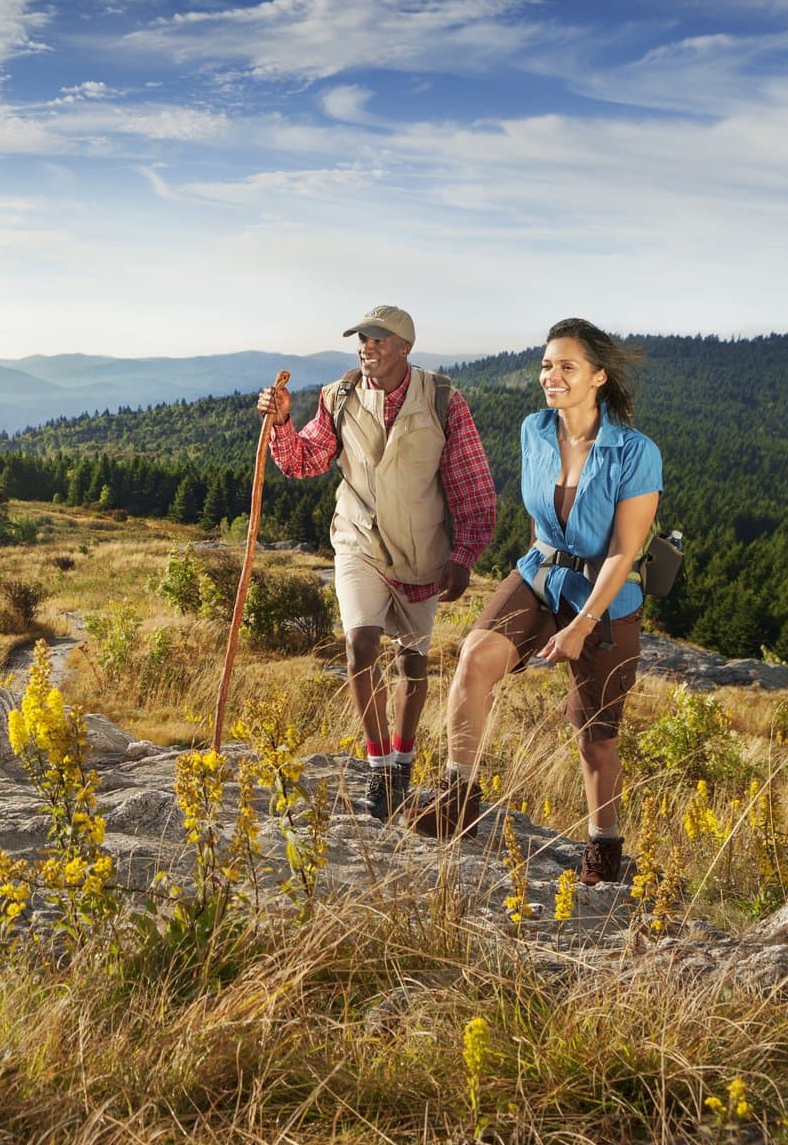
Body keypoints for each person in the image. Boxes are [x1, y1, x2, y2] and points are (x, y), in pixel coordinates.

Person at [422, 318, 661, 885]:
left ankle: (603, 850)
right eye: (547, 365)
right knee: (473, 658)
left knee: (595, 737)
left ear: (598, 377)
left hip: (604, 595)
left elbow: (626, 552)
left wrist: (581, 624)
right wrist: (535, 582)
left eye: (567, 367)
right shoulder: (534, 428)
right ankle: (457, 798)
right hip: (540, 571)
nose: (552, 377)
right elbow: (541, 514)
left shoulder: (634, 451)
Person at [256, 305, 496, 820]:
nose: (366, 347)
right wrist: (281, 424)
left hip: (421, 549)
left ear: (404, 348)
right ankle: (379, 769)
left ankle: (403, 763)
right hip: (358, 539)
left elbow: (470, 480)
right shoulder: (338, 397)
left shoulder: (443, 400)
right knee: (360, 645)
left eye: (378, 340)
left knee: (413, 663)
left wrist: (463, 555)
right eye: (362, 339)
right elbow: (306, 460)